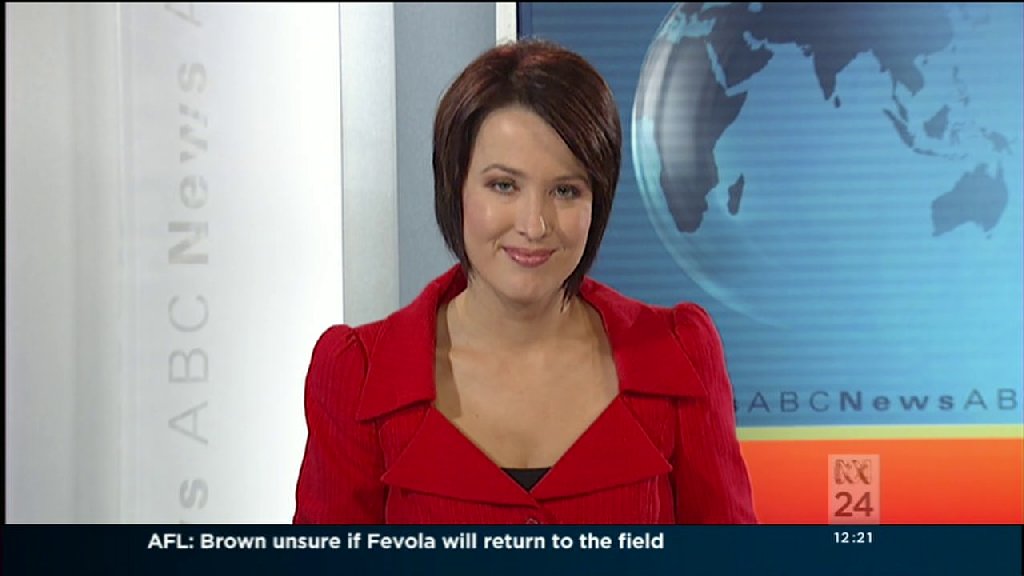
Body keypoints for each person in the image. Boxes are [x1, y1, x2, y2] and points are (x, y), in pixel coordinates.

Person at [294, 39, 757, 524]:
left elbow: (735, 557)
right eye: (504, 186)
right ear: (455, 187)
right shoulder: (356, 374)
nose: (534, 225)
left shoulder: (680, 355)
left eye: (565, 190)